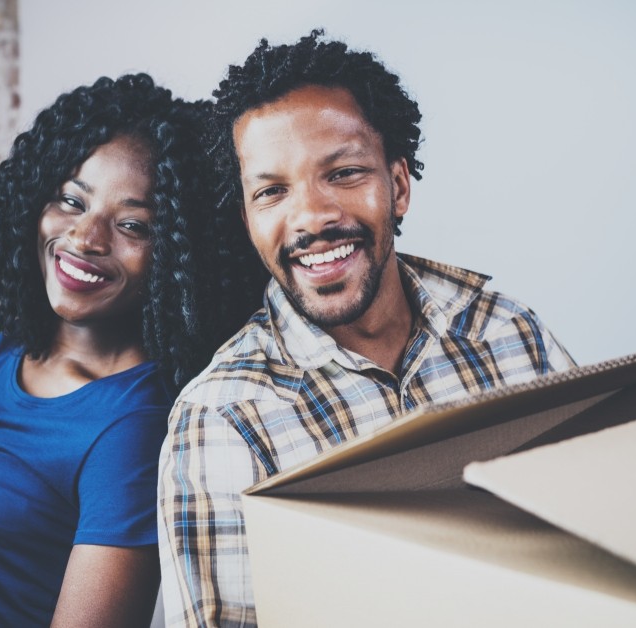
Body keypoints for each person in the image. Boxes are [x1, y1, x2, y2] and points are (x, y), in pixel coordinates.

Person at [157, 31, 576, 627]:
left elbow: (596, 537)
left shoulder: (510, 334)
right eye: (272, 191)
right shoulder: (222, 418)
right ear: (248, 219)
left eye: (345, 173)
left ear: (398, 187)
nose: (311, 217)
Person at [0, 74, 253, 628]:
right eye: (72, 200)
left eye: (132, 224)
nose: (85, 238)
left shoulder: (132, 429)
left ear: (179, 258)